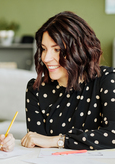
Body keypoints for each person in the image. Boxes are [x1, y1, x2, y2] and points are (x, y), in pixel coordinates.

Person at [21, 11, 115, 150]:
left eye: (57, 50)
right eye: (43, 49)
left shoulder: (107, 80)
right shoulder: (36, 90)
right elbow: (38, 145)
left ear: (80, 50)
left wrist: (59, 141)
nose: (46, 58)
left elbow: (112, 135)